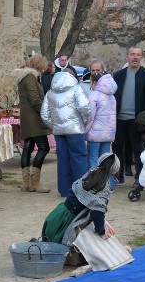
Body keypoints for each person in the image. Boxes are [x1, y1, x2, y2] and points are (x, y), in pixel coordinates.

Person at [39, 152, 120, 246]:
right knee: (56, 250)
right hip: (68, 222)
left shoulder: (90, 173)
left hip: (58, 214)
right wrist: (101, 231)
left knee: (47, 244)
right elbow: (97, 212)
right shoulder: (104, 188)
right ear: (114, 171)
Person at [41, 70, 91, 199]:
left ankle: (64, 190)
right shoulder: (76, 89)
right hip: (75, 129)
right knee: (79, 158)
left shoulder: (50, 93)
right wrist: (84, 122)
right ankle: (80, 190)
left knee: (63, 159)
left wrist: (55, 126)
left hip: (59, 131)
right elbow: (85, 107)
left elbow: (44, 115)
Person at [112, 47, 145, 182]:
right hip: (119, 119)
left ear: (141, 58)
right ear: (127, 57)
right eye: (132, 55)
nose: (135, 57)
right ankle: (117, 175)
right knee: (117, 149)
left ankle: (139, 177)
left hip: (136, 120)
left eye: (138, 55)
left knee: (138, 150)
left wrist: (143, 118)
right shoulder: (118, 75)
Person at [13, 55, 51, 193]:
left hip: (29, 118)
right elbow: (35, 100)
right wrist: (45, 115)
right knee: (44, 147)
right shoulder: (29, 78)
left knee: (28, 148)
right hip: (33, 119)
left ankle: (27, 183)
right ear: (40, 66)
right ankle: (34, 183)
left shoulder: (27, 77)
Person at [86, 74, 118, 170]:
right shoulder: (112, 96)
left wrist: (85, 130)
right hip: (108, 133)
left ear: (95, 82)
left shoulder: (93, 95)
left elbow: (90, 116)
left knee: (93, 158)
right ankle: (106, 183)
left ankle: (93, 182)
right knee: (105, 160)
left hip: (95, 133)